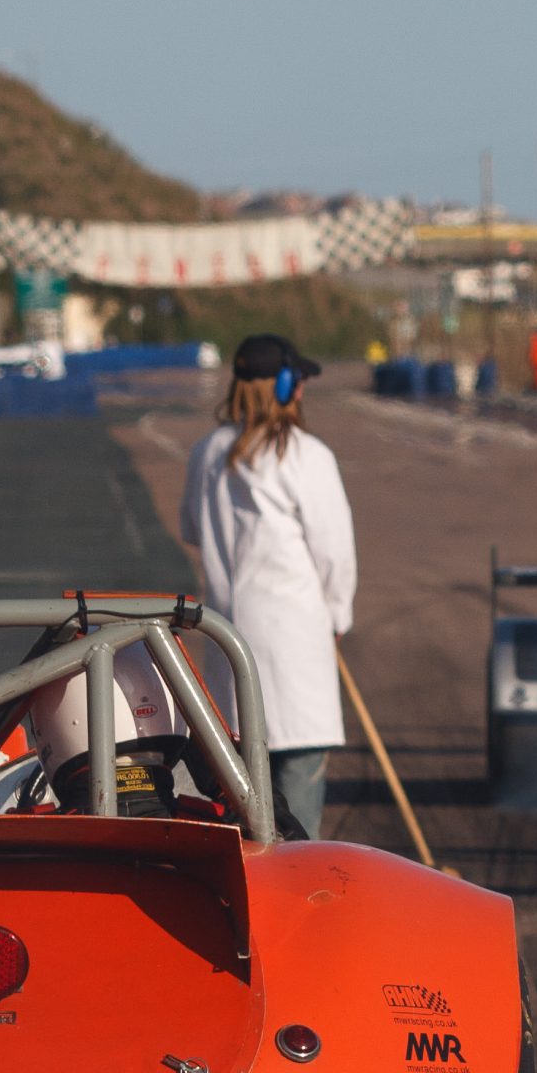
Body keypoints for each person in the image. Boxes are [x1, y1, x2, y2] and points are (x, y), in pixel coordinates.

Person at [179, 333, 358, 837]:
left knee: (243, 816)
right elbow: (335, 553)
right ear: (285, 386)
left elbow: (190, 528)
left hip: (228, 642)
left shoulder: (206, 452)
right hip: (297, 651)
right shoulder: (307, 455)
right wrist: (338, 616)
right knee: (299, 819)